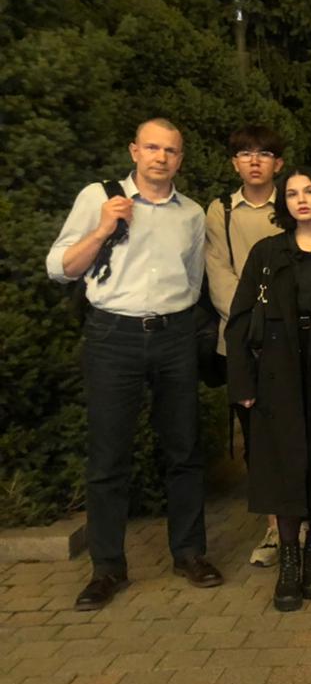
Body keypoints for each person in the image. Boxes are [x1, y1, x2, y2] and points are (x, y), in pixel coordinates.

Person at [46, 118, 221, 610]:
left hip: (174, 333)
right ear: (134, 151)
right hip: (113, 335)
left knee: (184, 449)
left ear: (180, 159)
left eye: (171, 150)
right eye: (152, 147)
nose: (161, 157)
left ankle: (189, 552)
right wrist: (104, 227)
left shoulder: (191, 214)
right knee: (108, 457)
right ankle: (107, 568)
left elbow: (192, 279)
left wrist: (179, 320)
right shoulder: (99, 197)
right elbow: (59, 268)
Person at [225, 168, 311, 611]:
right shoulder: (267, 253)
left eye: (309, 190)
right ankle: (288, 558)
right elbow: (239, 319)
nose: (301, 199)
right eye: (291, 193)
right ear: (283, 202)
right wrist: (242, 383)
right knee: (283, 461)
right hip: (278, 371)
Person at [204, 125, 291, 567]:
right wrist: (256, 321)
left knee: (297, 435)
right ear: (234, 162)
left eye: (264, 153)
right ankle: (275, 528)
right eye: (245, 153)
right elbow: (220, 278)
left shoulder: (292, 203)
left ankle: (304, 524)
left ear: (279, 163)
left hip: (291, 341)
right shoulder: (220, 211)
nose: (254, 161)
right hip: (243, 343)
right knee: (258, 442)